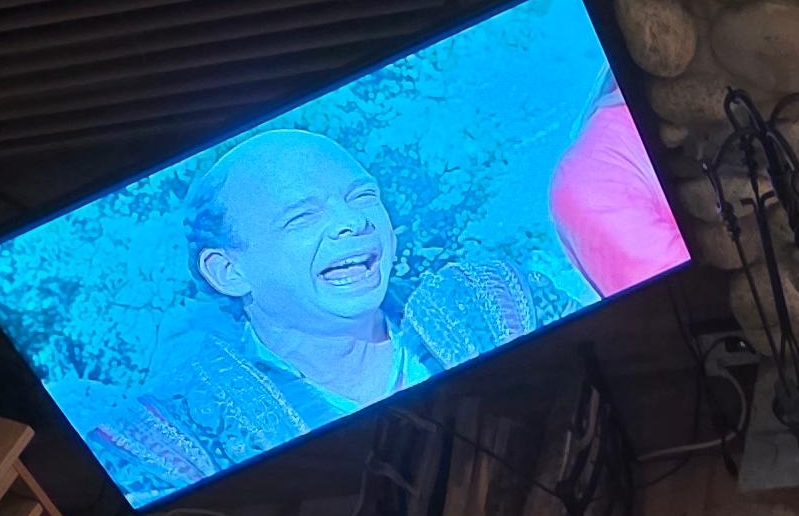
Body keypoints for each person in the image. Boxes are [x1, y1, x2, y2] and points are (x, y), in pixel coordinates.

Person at [61, 127, 535, 490]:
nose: (353, 223)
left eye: (363, 197)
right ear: (228, 271)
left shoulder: (490, 300)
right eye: (303, 216)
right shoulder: (182, 437)